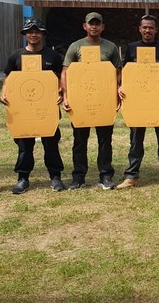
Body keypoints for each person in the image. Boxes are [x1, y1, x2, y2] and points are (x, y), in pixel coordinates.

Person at [1, 18, 66, 194]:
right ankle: (23, 178)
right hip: (23, 110)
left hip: (47, 109)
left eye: (37, 31)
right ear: (25, 34)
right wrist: (4, 92)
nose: (33, 34)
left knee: (51, 143)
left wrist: (61, 91)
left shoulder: (52, 56)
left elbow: (61, 77)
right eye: (30, 31)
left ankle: (55, 176)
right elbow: (8, 78)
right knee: (24, 145)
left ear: (43, 34)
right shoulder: (16, 56)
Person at [60, 12, 122, 190]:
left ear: (102, 27)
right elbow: (66, 72)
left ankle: (105, 176)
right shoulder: (75, 46)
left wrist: (117, 94)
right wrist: (66, 96)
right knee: (79, 141)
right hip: (80, 102)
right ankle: (78, 177)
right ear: (84, 26)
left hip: (104, 101)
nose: (94, 26)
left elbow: (118, 73)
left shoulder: (110, 47)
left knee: (105, 140)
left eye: (98, 24)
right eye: (91, 24)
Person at [115, 15, 159, 190]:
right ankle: (131, 176)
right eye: (145, 27)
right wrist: (121, 86)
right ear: (139, 29)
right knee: (135, 140)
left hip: (158, 102)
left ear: (156, 30)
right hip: (136, 102)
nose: (148, 30)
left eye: (151, 28)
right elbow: (126, 71)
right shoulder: (132, 48)